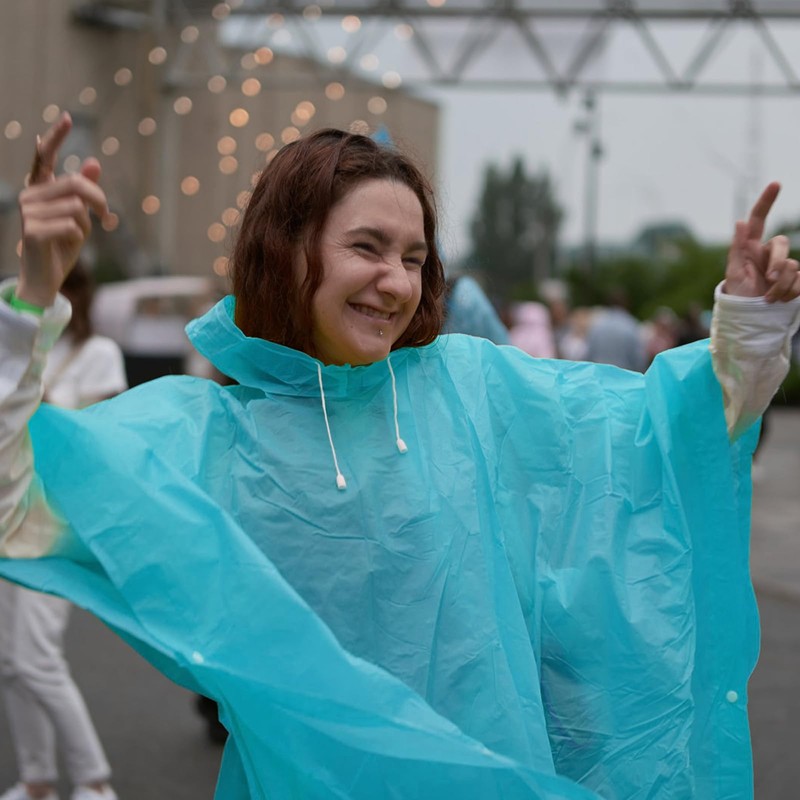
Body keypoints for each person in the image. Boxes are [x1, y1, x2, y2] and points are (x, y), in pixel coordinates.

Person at [1, 113, 799, 800]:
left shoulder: (474, 391)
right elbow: (16, 496)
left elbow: (660, 437)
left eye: (414, 258)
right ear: (286, 249)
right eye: (367, 247)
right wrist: (31, 296)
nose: (394, 282)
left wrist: (748, 327)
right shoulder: (209, 440)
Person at [0, 262, 125, 800]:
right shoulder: (18, 347)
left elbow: (99, 437)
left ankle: (94, 780)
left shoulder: (99, 352)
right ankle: (37, 781)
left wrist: (38, 397)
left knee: (36, 657)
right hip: (10, 510)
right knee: (10, 663)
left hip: (58, 520)